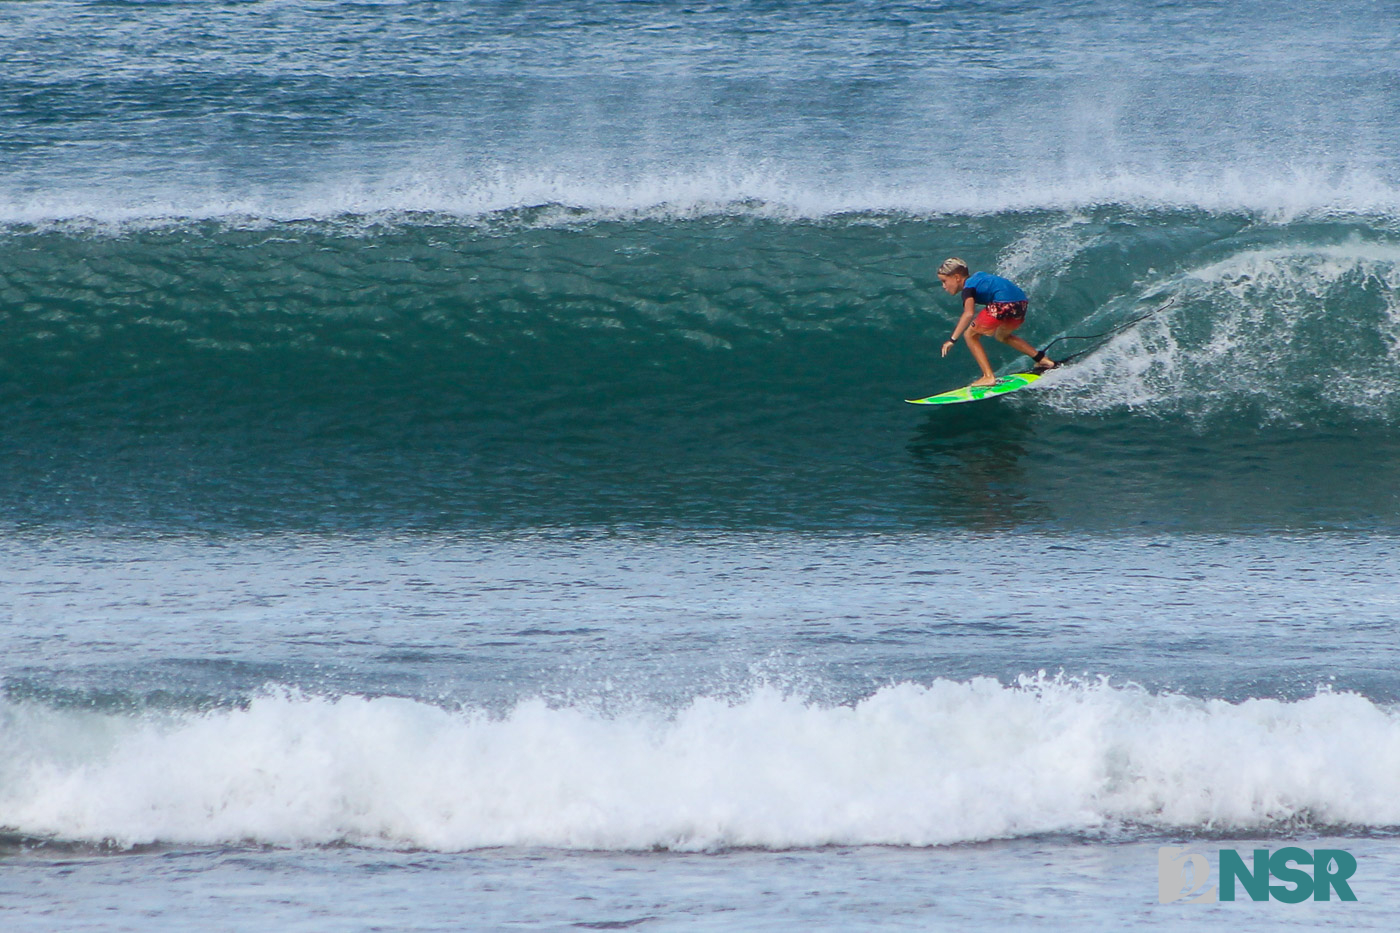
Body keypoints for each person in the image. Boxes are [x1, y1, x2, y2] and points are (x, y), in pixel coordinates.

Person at [935, 257, 1056, 387]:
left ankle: (988, 377)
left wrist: (952, 340)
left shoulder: (968, 288)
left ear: (957, 277)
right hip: (1021, 304)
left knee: (970, 335)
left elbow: (968, 313)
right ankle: (1042, 360)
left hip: (1002, 303)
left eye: (944, 281)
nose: (944, 286)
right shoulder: (979, 277)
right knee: (1002, 336)